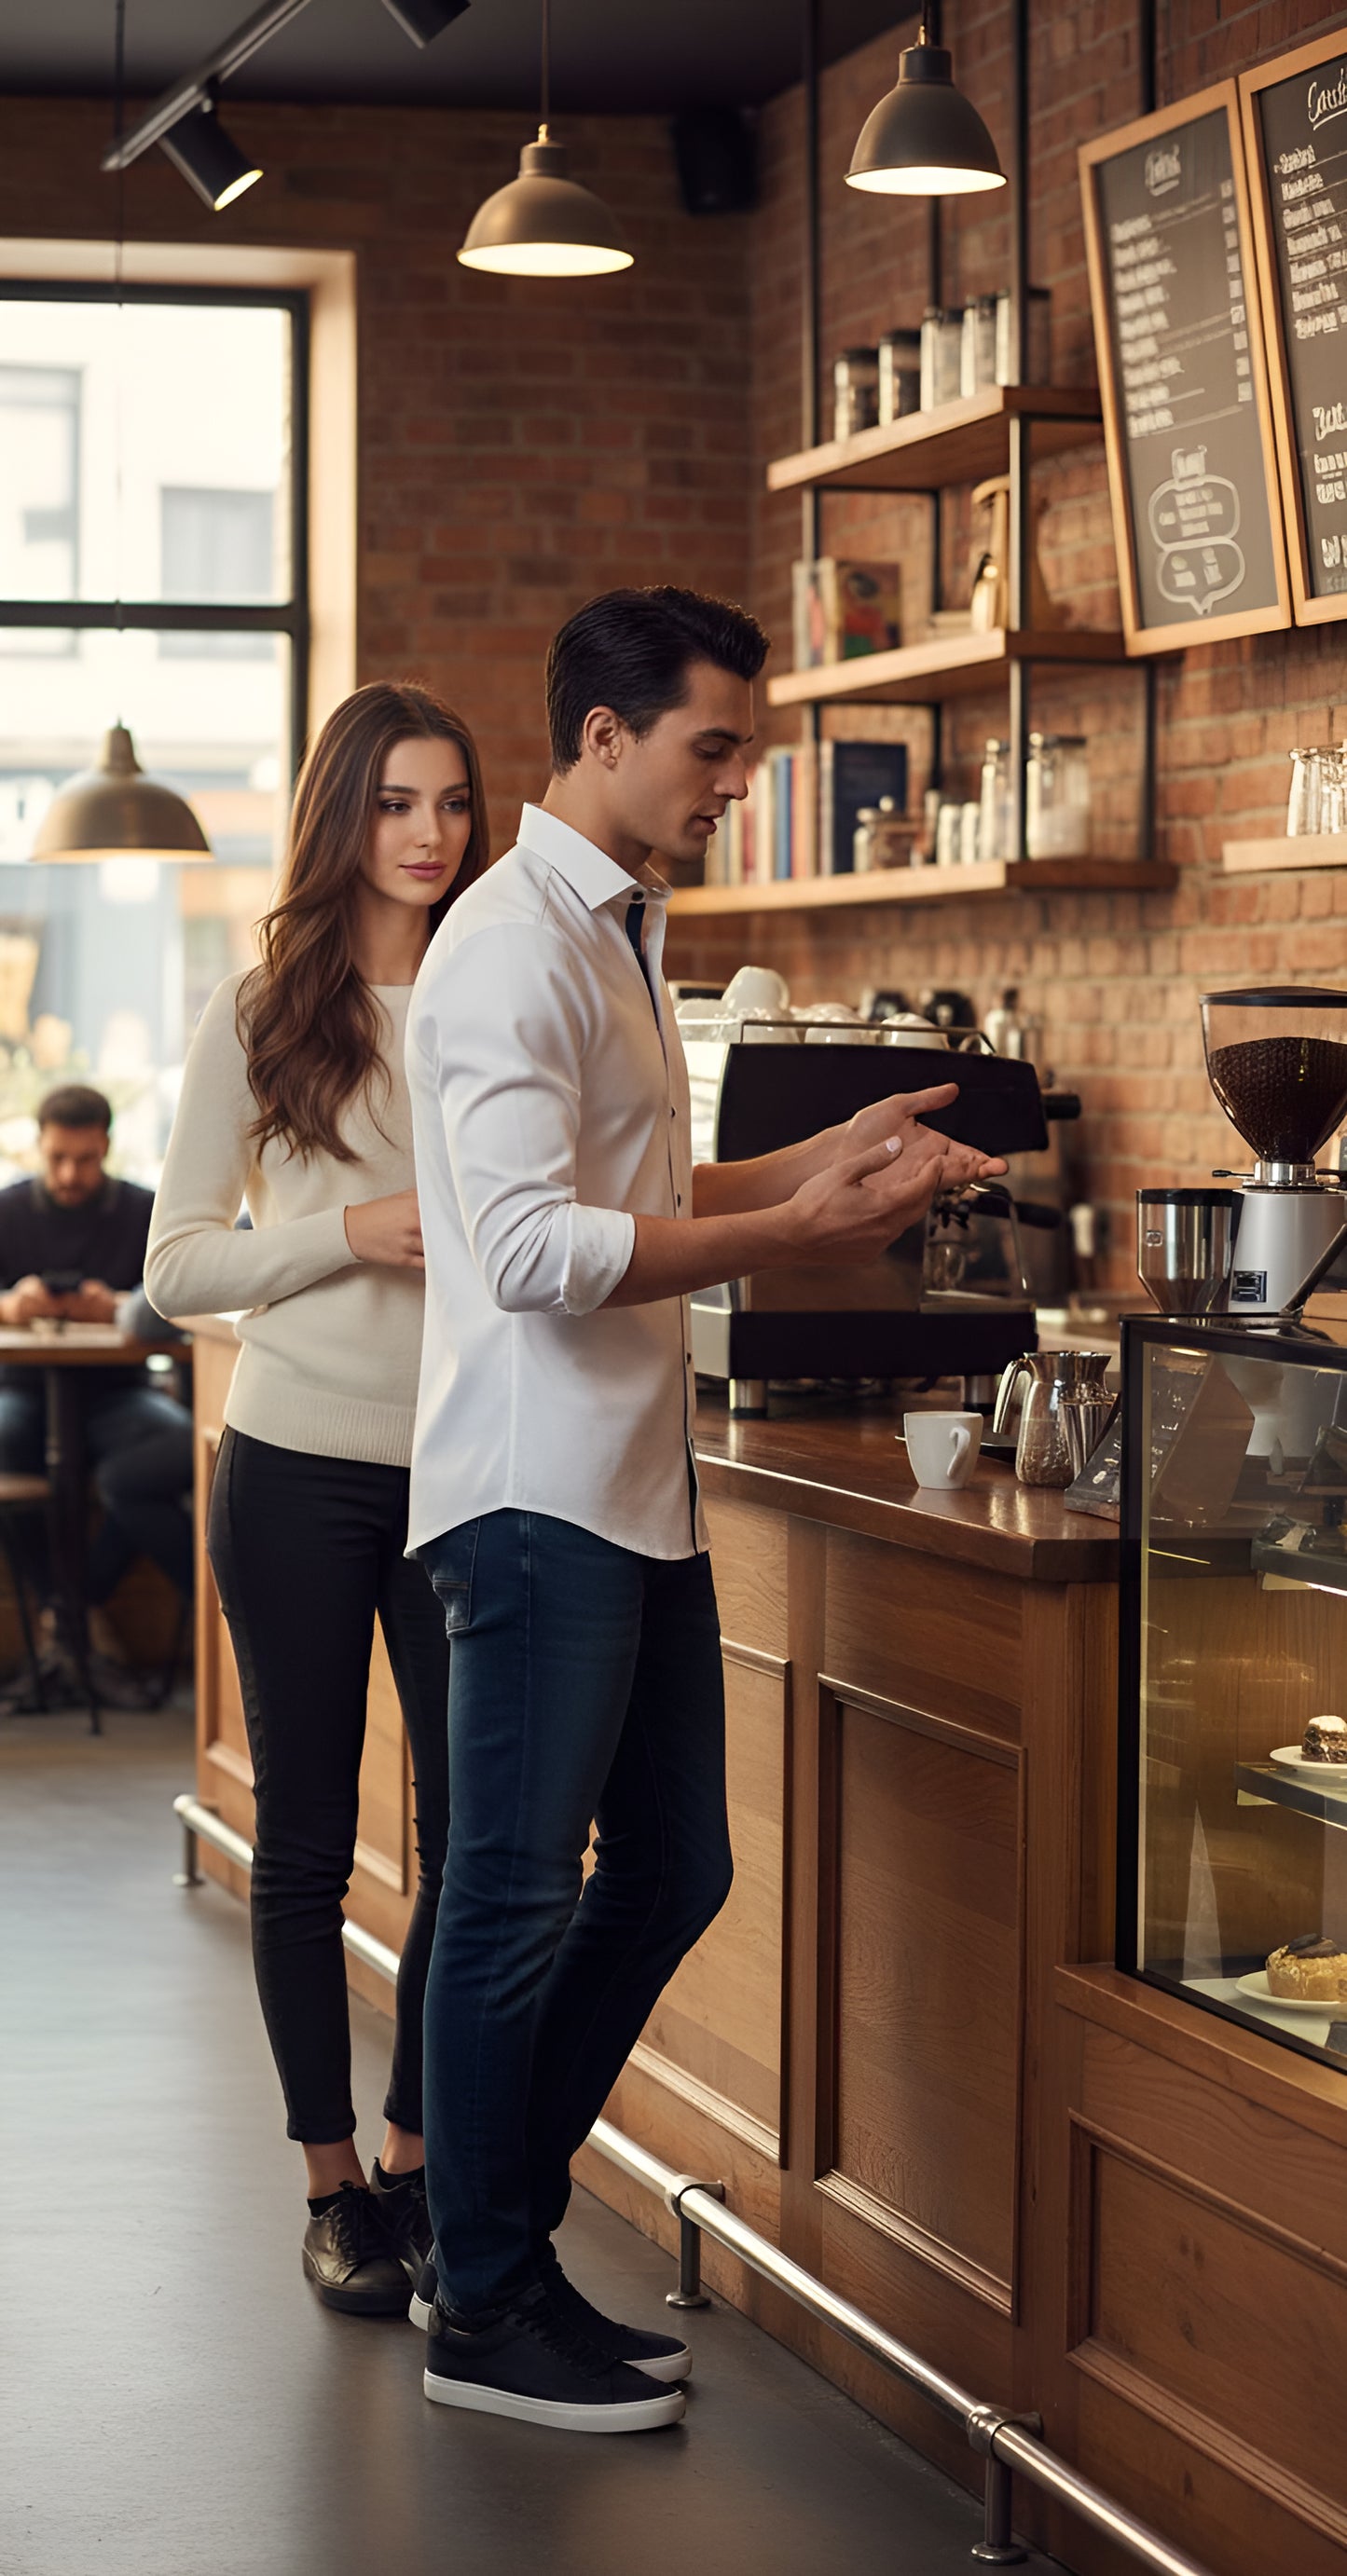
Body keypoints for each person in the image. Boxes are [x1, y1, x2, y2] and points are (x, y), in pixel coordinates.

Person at [405, 585, 1008, 2432]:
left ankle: (488, 2243)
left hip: (626, 1494)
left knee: (676, 1866)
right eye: (712, 746)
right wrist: (784, 1234)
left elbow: (646, 1181)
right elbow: (522, 1247)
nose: (737, 781)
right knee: (510, 1898)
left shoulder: (614, 927)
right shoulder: (507, 946)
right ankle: (482, 2294)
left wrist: (815, 1161)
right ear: (602, 736)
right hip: (529, 1496)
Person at [146, 681, 488, 2317]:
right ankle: (331, 2185)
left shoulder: (502, 998)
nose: (431, 836)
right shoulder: (265, 1007)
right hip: (289, 1464)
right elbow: (175, 1265)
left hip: (471, 1473)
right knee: (302, 1841)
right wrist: (345, 1233)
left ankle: (419, 2159)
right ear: (345, 814)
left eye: (453, 804)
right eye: (399, 803)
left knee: (473, 1842)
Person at [0, 1084, 194, 1647]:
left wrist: (114, 1305)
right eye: (57, 1158)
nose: (68, 1174)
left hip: (118, 1391)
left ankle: (71, 1609)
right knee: (5, 1445)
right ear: (39, 1144)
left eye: (84, 1160)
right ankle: (69, 1612)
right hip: (23, 1389)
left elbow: (173, 1297)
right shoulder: (8, 1209)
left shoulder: (142, 1209)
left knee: (172, 1451)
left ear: (106, 1147)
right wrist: (14, 1304)